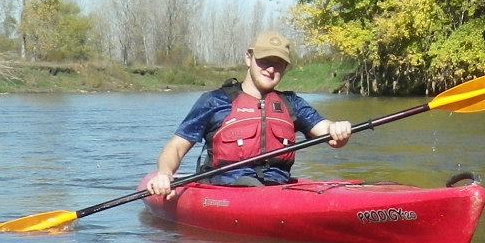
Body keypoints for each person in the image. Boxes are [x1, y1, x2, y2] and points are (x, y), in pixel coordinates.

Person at [148, 30, 353, 193]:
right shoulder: (215, 101)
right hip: (227, 189)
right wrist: (165, 174)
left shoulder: (291, 103)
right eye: (264, 61)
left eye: (278, 64)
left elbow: (330, 135)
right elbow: (175, 147)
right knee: (248, 184)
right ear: (249, 58)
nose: (271, 69)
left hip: (278, 189)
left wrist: (338, 129)